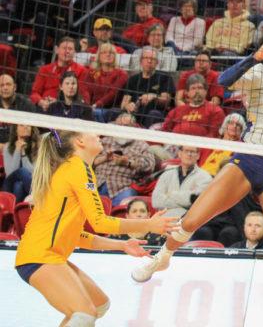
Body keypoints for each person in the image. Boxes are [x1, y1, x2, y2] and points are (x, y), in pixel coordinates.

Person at [131, 36, 263, 327]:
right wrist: (254, 57)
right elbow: (224, 80)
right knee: (192, 220)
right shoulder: (261, 72)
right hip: (248, 160)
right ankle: (163, 256)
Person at [15, 129, 176, 327]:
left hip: (45, 255)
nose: (99, 135)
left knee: (99, 305)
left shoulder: (73, 169)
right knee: (84, 314)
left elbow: (78, 236)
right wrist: (148, 224)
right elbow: (100, 222)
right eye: (93, 133)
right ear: (80, 141)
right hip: (39, 256)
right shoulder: (77, 168)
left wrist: (122, 245)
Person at [93, 129, 156, 206]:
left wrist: (128, 163)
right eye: (121, 127)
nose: (123, 129)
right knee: (81, 191)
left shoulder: (142, 145)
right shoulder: (103, 141)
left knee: (128, 201)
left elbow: (150, 166)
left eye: (127, 127)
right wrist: (105, 158)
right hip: (96, 183)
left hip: (123, 186)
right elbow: (85, 161)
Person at [119, 47, 175, 128]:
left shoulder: (165, 77)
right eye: (146, 58)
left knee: (153, 114)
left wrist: (153, 96)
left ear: (157, 62)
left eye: (152, 59)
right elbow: (123, 103)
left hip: (155, 113)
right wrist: (128, 106)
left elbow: (166, 100)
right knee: (115, 112)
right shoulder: (133, 79)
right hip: (135, 113)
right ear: (141, 61)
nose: (149, 61)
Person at [151, 146, 213, 218]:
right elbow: (156, 201)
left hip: (188, 220)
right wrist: (185, 200)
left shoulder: (205, 177)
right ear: (180, 153)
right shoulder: (166, 174)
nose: (189, 154)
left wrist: (170, 194)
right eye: (186, 151)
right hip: (163, 219)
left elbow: (197, 202)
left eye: (192, 152)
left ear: (198, 156)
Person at [30, 37, 86, 111]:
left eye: (70, 49)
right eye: (64, 48)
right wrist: (42, 102)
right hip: (44, 109)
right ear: (57, 50)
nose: (67, 51)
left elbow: (82, 97)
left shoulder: (81, 70)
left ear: (75, 52)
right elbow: (34, 93)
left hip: (69, 110)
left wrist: (59, 103)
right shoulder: (44, 69)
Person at [3, 124, 40, 202]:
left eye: (28, 125)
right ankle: (37, 197)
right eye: (21, 125)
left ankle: (15, 212)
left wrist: (23, 154)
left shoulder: (37, 147)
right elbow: (10, 172)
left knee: (18, 186)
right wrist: (17, 150)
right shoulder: (7, 146)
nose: (26, 127)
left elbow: (33, 172)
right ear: (15, 130)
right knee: (22, 171)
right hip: (9, 184)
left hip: (26, 186)